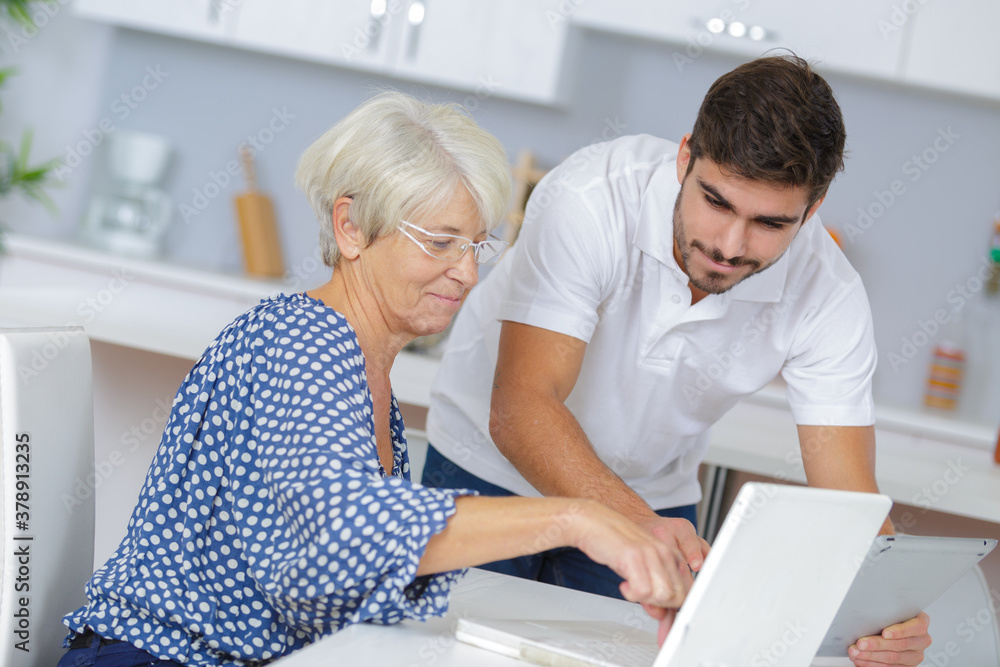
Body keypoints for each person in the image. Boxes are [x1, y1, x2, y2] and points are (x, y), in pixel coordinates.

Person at [56, 92, 696, 667]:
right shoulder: (298, 343)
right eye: (440, 242)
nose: (467, 275)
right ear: (351, 227)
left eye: (476, 245)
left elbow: (315, 577)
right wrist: (575, 519)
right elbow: (346, 528)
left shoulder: (366, 362)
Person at [422, 55, 932, 665]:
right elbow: (522, 406)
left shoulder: (830, 294)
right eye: (716, 202)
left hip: (651, 492)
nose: (729, 246)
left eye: (770, 222)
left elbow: (850, 501)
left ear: (814, 206)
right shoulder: (592, 198)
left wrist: (887, 611)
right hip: (487, 468)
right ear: (685, 157)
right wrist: (643, 526)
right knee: (447, 656)